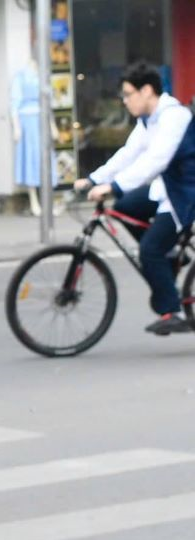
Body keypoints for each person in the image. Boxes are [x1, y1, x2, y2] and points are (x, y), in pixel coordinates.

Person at [75, 61, 195, 335]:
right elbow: (129, 154)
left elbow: (155, 161)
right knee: (125, 207)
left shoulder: (173, 117)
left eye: (129, 94)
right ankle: (172, 252)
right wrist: (96, 179)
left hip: (186, 193)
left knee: (150, 250)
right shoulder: (148, 120)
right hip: (167, 188)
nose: (125, 101)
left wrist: (115, 186)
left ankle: (172, 311)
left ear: (147, 91)